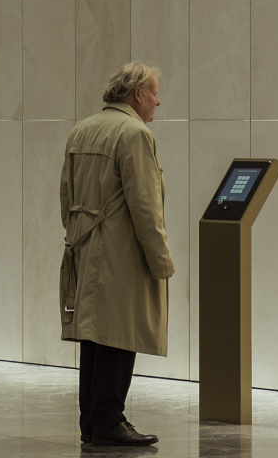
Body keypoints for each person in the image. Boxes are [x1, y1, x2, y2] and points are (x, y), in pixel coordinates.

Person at [59, 62, 175, 448]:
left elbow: (66, 197)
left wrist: (80, 235)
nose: (158, 100)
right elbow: (145, 206)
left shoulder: (83, 129)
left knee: (94, 337)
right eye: (154, 92)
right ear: (137, 94)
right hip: (121, 254)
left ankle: (92, 422)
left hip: (86, 247)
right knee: (120, 335)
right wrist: (161, 261)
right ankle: (109, 420)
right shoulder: (134, 134)